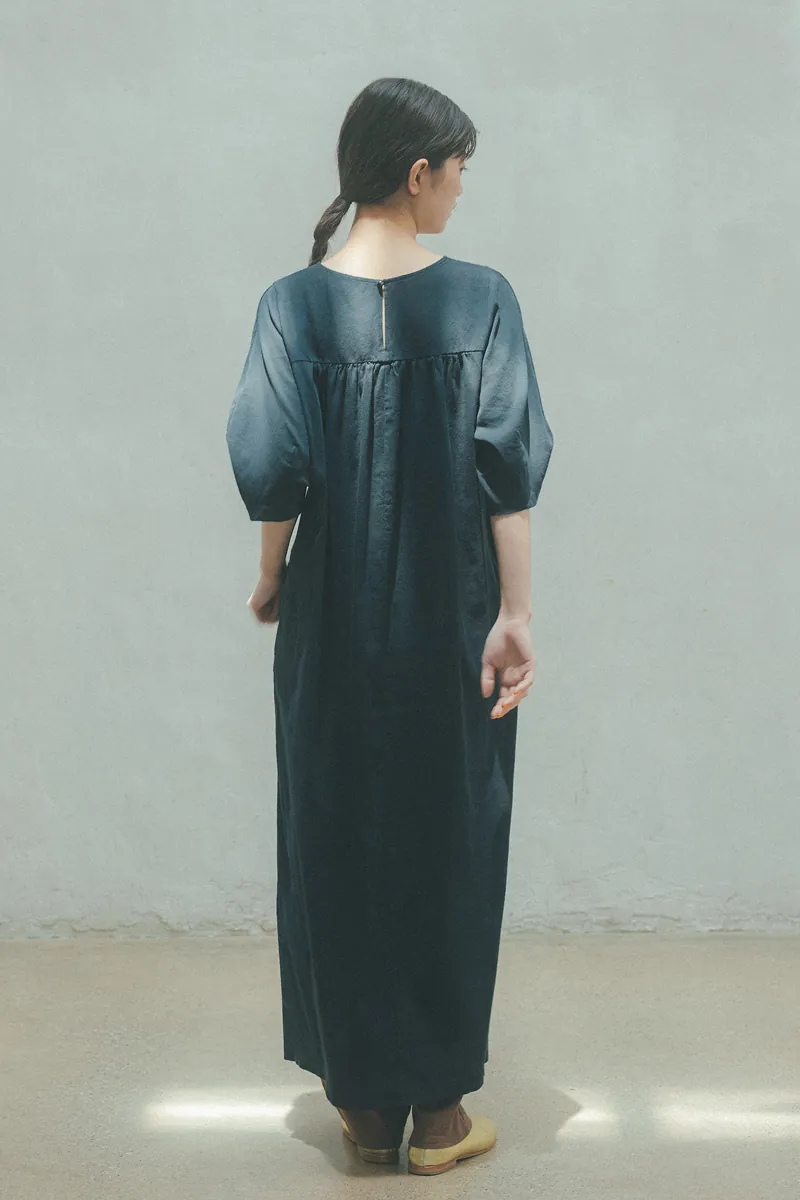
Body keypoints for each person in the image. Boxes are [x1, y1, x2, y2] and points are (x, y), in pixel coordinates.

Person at [225, 76, 554, 1177]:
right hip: (452, 616)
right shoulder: (482, 299)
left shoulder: (290, 306)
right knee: (451, 837)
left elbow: (273, 467)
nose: (461, 189)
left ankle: (364, 1111)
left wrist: (270, 577)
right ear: (418, 174)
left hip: (332, 616)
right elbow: (506, 471)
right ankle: (441, 1118)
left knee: (334, 832)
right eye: (458, 169)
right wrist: (513, 614)